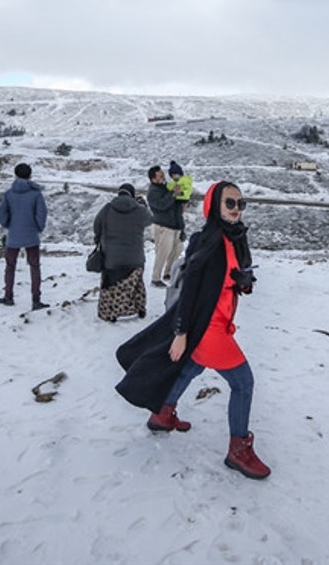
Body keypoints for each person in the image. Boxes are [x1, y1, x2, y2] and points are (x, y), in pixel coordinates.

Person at [115, 181, 270, 480]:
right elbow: (190, 291)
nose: (237, 209)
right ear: (214, 205)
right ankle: (238, 450)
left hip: (220, 321)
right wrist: (181, 332)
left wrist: (242, 282)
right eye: (230, 203)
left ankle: (162, 415)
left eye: (241, 204)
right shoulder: (209, 240)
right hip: (207, 326)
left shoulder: (234, 237)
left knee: (191, 369)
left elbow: (225, 278)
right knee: (243, 383)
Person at [94, 183, 153, 322]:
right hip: (135, 258)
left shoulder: (107, 209)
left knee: (111, 286)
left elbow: (97, 225)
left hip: (112, 259)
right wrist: (143, 205)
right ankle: (139, 309)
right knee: (137, 285)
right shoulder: (139, 210)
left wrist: (99, 240)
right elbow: (150, 219)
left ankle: (111, 313)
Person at [0, 162, 48, 310]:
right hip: (31, 234)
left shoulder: (9, 193)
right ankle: (36, 299)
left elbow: (1, 214)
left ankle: (8, 297)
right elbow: (41, 213)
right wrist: (38, 227)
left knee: (10, 266)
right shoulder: (36, 193)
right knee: (34, 266)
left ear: (16, 174)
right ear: (30, 175)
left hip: (13, 235)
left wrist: (8, 225)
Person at [146, 165, 185, 288]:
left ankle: (168, 272)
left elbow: (173, 203)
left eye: (163, 174)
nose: (164, 177)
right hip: (163, 226)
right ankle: (155, 278)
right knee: (163, 252)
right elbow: (161, 206)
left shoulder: (165, 188)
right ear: (154, 179)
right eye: (160, 175)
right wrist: (173, 193)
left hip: (174, 224)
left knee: (178, 249)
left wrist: (182, 201)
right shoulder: (153, 192)